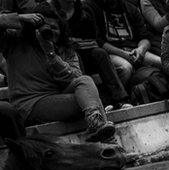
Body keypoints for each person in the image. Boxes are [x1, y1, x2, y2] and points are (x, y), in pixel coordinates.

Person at [0, 5, 116, 140]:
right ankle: (106, 137)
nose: (50, 31)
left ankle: (97, 125)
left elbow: (75, 77)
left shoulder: (66, 50)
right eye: (45, 27)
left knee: (85, 81)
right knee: (88, 101)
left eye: (54, 28)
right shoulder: (15, 43)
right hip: (30, 103)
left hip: (58, 96)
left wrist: (52, 55)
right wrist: (20, 18)